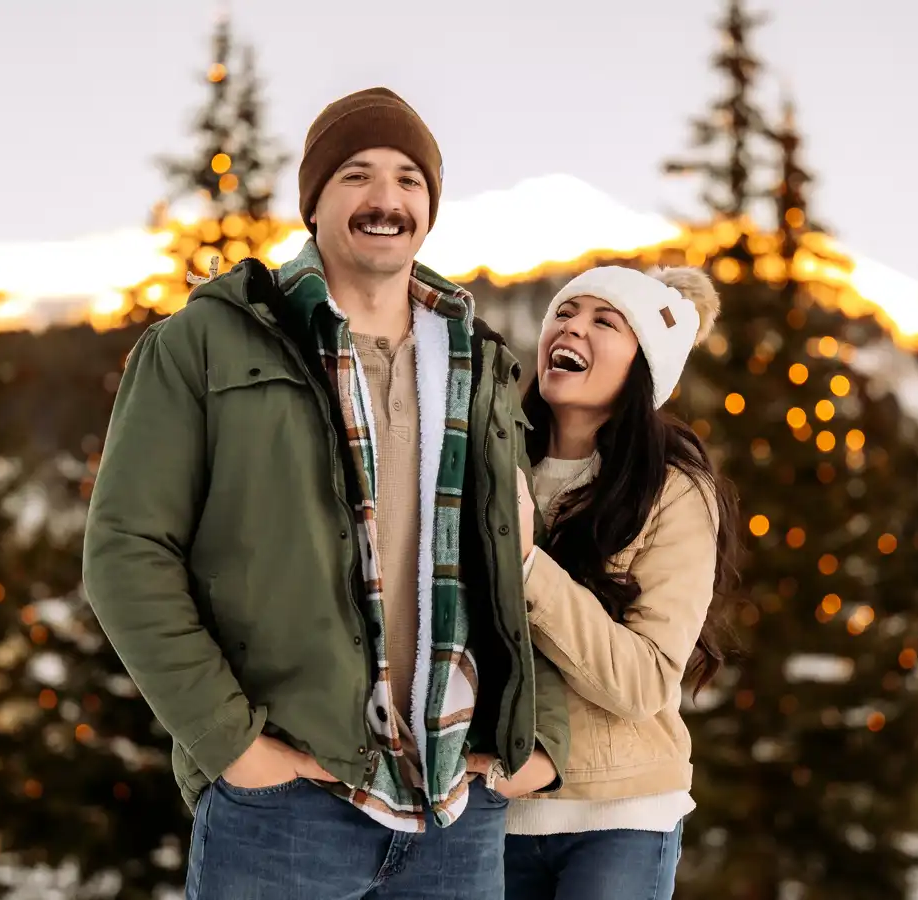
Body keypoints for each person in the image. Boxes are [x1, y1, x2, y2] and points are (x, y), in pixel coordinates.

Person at [82, 86, 569, 900]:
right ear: (313, 203)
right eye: (357, 175)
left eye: (410, 180)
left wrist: (538, 739)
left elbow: (521, 567)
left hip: (457, 808)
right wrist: (233, 745)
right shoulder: (202, 342)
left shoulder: (479, 365)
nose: (386, 199)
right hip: (288, 807)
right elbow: (126, 554)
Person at [495, 264, 739, 898]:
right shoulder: (494, 461)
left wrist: (525, 563)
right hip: (491, 807)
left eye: (605, 322)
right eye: (565, 314)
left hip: (619, 819)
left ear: (644, 367)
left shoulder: (674, 493)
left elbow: (646, 680)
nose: (571, 327)